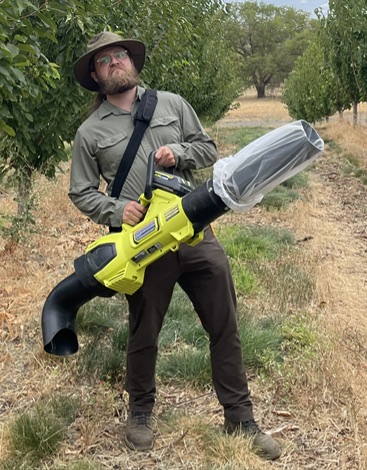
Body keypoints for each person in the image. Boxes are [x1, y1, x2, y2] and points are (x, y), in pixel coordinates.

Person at [69, 31, 281, 460]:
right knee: (144, 331)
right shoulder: (90, 132)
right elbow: (80, 191)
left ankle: (241, 419)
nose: (114, 63)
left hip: (195, 231)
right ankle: (141, 413)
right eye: (103, 60)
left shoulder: (172, 104)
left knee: (225, 324)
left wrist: (178, 153)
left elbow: (208, 149)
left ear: (132, 62)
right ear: (95, 74)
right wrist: (115, 211)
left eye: (119, 55)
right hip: (144, 244)